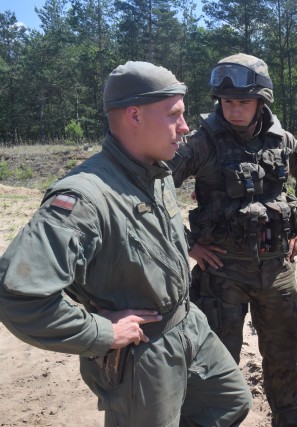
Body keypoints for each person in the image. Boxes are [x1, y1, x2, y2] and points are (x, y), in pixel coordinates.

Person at [0, 61, 252, 426]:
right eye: (174, 115)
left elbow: (155, 232)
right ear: (134, 115)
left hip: (187, 324)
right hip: (140, 353)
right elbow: (18, 297)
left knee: (230, 402)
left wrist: (189, 246)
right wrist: (101, 331)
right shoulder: (84, 197)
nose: (185, 127)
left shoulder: (157, 171)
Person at [168, 53, 297, 427]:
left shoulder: (282, 140)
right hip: (222, 273)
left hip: (276, 270)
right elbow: (153, 190)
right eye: (228, 101)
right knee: (213, 362)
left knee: (284, 356)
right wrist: (188, 244)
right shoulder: (201, 142)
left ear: (261, 101)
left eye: (244, 102)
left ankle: (288, 420)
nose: (235, 109)